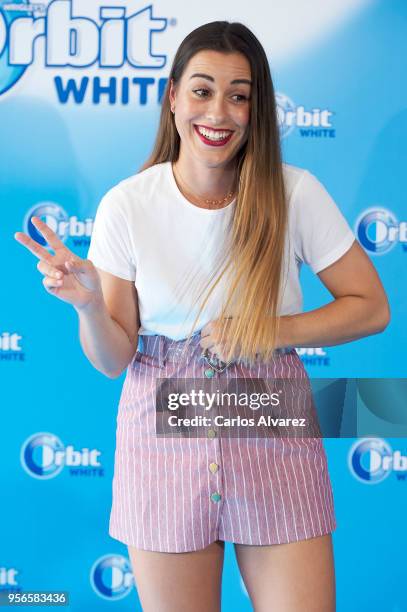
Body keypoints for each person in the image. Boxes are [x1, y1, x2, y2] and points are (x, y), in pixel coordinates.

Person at [15, 20, 390, 612]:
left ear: (256, 109)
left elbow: (372, 307)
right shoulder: (128, 204)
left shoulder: (294, 193)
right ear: (172, 97)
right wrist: (89, 305)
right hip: (160, 427)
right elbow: (115, 359)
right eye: (202, 90)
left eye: (239, 95)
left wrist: (271, 331)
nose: (219, 112)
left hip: (268, 412)